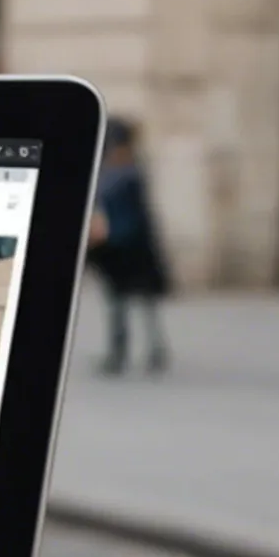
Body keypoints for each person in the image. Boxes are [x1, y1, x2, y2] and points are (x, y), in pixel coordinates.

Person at [85, 117, 169, 375]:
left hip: (133, 248)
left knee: (145, 303)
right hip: (116, 250)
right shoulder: (109, 172)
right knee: (119, 304)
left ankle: (155, 350)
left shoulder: (130, 174)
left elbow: (136, 215)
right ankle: (121, 352)